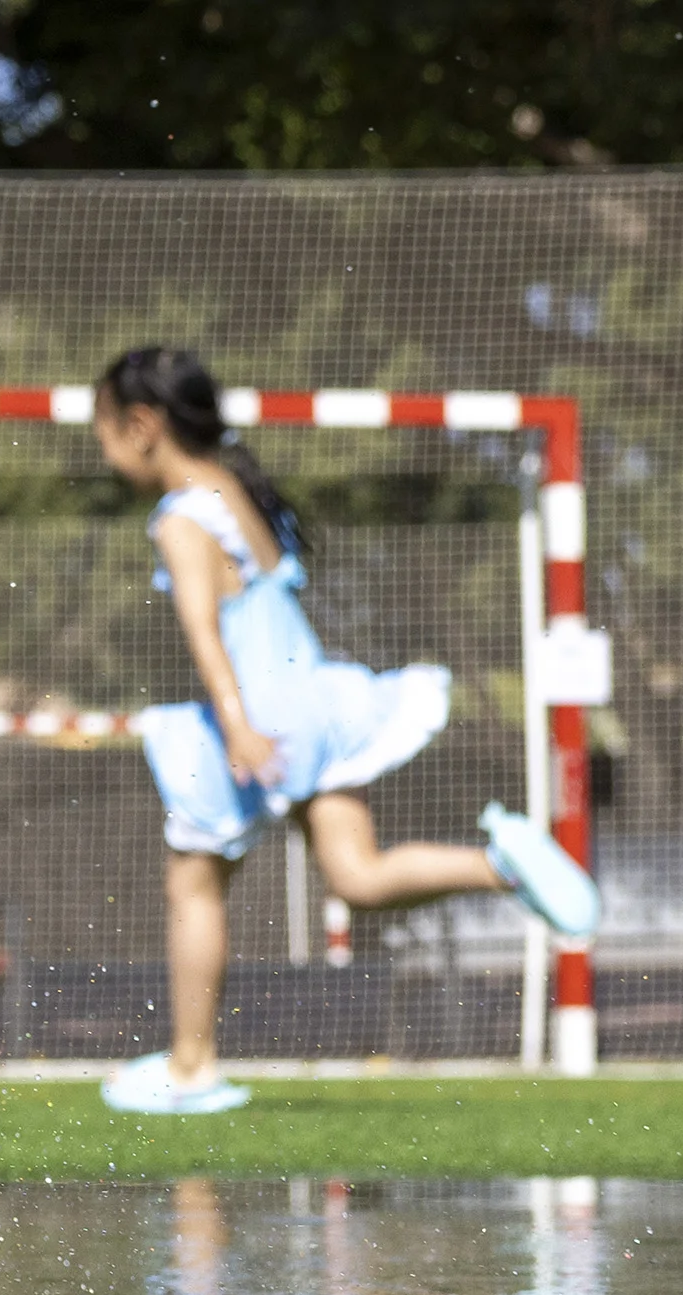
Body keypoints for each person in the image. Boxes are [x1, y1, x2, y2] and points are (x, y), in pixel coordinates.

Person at [93, 344, 596, 1117]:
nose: (100, 446)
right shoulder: (238, 492)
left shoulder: (182, 516)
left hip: (260, 717)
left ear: (143, 425)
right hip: (321, 700)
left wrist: (234, 724)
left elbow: (203, 627)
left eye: (102, 428)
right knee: (357, 876)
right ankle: (503, 862)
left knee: (193, 884)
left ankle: (192, 1066)